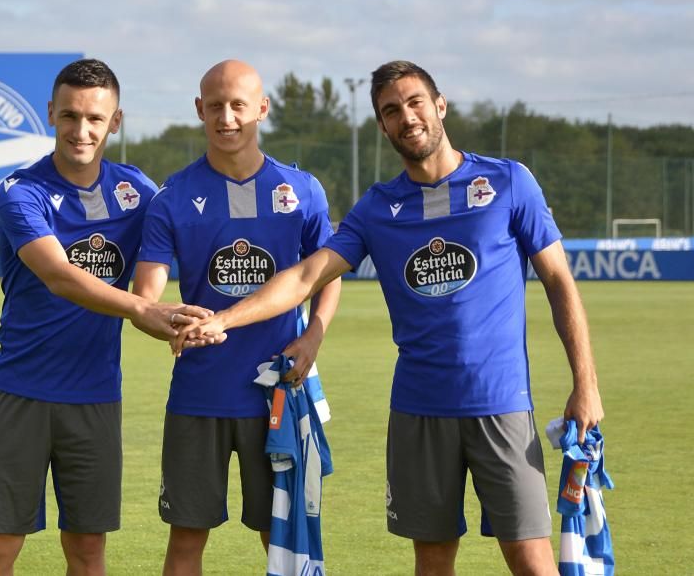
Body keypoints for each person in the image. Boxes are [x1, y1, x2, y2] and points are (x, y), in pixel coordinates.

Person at [177, 60, 605, 576]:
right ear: (382, 126)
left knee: (532, 562)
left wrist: (587, 384)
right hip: (417, 412)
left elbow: (560, 282)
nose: (407, 117)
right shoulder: (378, 207)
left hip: (501, 405)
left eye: (415, 102)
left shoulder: (508, 183)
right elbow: (305, 275)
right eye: (391, 111)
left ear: (439, 105)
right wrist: (228, 318)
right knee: (431, 562)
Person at [0, 58, 211, 576]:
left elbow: (185, 238)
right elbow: (58, 275)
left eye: (95, 119)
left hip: (96, 398)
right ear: (51, 114)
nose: (82, 131)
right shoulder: (21, 191)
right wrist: (143, 308)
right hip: (21, 393)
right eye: (70, 116)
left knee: (87, 551)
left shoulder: (138, 192)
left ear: (115, 123)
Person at [132, 59, 342, 576]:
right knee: (186, 536)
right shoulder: (172, 197)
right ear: (199, 110)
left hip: (275, 393)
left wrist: (314, 334)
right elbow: (148, 289)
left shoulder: (302, 191)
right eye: (216, 106)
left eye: (239, 105)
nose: (227, 117)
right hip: (198, 395)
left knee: (281, 536)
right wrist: (157, 314)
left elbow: (326, 273)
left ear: (261, 110)